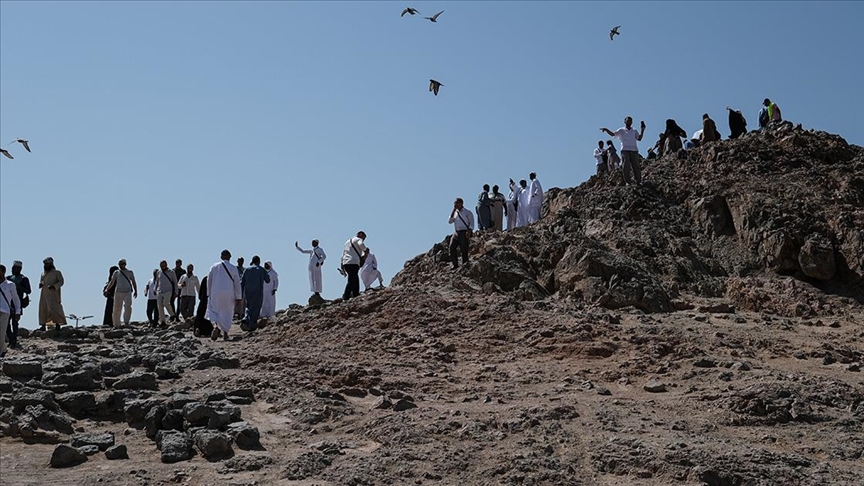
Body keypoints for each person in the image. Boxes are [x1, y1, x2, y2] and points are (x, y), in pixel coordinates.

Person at [206, 250, 242, 341]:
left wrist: (208, 293)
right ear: (230, 257)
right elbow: (237, 283)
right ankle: (225, 334)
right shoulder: (233, 268)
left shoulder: (214, 266)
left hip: (216, 292)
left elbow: (209, 280)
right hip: (229, 294)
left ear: (221, 257)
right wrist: (238, 296)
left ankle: (215, 326)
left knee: (213, 310)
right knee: (227, 312)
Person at [601, 117, 646, 186]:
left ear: (632, 122)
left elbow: (639, 138)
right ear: (624, 122)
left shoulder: (634, 130)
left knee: (636, 166)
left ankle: (638, 181)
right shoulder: (621, 130)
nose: (629, 122)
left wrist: (642, 130)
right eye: (627, 121)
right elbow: (613, 134)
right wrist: (607, 130)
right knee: (626, 165)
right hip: (625, 150)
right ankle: (628, 182)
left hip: (634, 150)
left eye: (630, 121)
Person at [240, 255, 270, 333]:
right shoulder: (261, 269)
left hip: (248, 291)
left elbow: (242, 282)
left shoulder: (247, 269)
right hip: (258, 291)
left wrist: (240, 293)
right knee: (256, 307)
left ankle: (246, 318)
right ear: (259, 261)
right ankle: (251, 324)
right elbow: (268, 280)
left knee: (248, 306)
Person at [5, 261, 31, 349]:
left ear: (19, 269)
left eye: (14, 268)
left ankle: (14, 340)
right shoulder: (8, 278)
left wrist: (20, 287)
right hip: (7, 303)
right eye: (12, 268)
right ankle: (11, 338)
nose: (12, 269)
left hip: (17, 302)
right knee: (6, 322)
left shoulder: (24, 279)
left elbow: (28, 291)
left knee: (15, 322)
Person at [38, 257, 66, 331]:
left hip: (54, 295)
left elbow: (61, 281)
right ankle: (43, 325)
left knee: (55, 309)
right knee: (43, 309)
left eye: (47, 264)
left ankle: (57, 325)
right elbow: (42, 281)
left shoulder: (57, 272)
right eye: (45, 264)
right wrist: (41, 284)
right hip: (44, 294)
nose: (46, 266)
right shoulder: (43, 274)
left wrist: (54, 286)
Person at [0, 264, 22, 358]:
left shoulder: (10, 284)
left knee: (1, 334)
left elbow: (16, 299)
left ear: (3, 272)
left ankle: (2, 350)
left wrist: (18, 311)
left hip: (5, 311)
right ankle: (3, 349)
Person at [108, 259, 138, 328]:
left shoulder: (130, 272)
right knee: (117, 308)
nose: (121, 265)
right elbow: (112, 282)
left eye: (122, 264)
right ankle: (116, 324)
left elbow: (133, 281)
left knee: (128, 306)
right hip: (118, 292)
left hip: (127, 291)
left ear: (125, 264)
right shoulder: (116, 272)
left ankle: (126, 321)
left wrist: (136, 291)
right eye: (120, 264)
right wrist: (107, 289)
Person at [341, 231, 368, 301]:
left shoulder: (347, 242)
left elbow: (343, 253)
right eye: (364, 238)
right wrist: (365, 251)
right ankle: (346, 295)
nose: (363, 240)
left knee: (354, 278)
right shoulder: (358, 239)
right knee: (352, 279)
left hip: (346, 262)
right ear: (361, 235)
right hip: (353, 261)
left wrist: (342, 264)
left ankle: (355, 293)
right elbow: (361, 245)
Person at [448, 198, 474, 269]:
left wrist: (469, 231)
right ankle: (455, 264)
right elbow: (450, 221)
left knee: (463, 248)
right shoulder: (455, 213)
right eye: (454, 203)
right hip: (457, 232)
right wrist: (453, 210)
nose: (455, 204)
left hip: (464, 232)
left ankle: (465, 264)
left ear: (461, 203)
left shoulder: (467, 212)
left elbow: (471, 223)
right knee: (452, 247)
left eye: (456, 203)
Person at [155, 260, 178, 327]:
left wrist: (176, 292)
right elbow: (157, 281)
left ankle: (172, 314)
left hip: (168, 291)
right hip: (160, 291)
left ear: (166, 265)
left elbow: (175, 282)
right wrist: (155, 289)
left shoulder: (171, 272)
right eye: (161, 266)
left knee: (166, 303)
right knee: (160, 306)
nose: (163, 267)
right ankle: (162, 321)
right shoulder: (159, 272)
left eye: (164, 265)